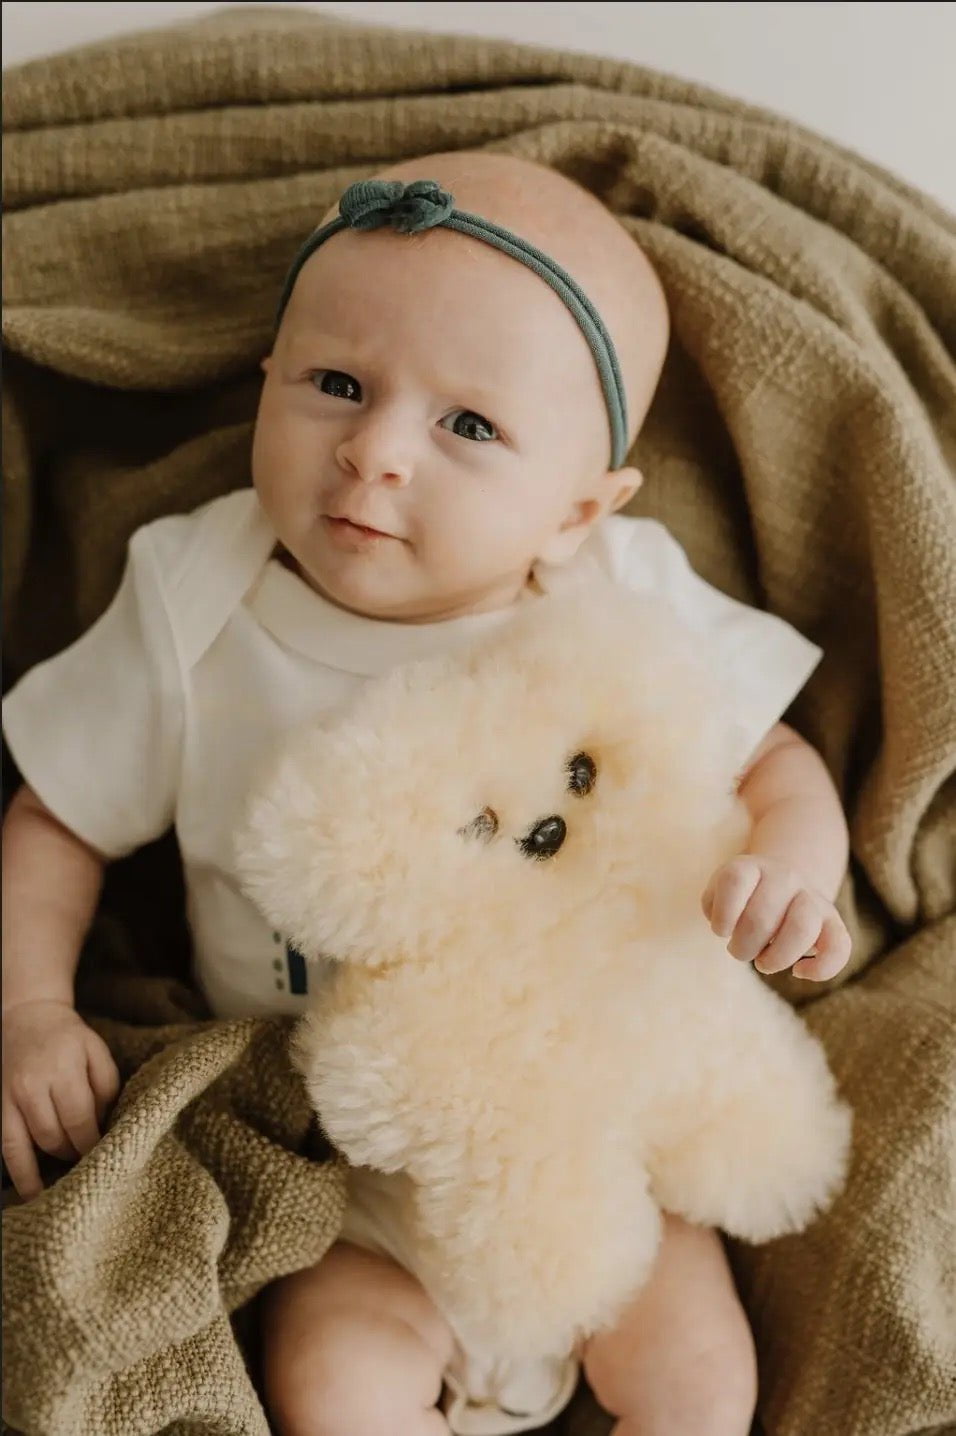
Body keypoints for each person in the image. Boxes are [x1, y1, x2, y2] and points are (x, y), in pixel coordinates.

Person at [1, 150, 851, 1436]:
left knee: (699, 1382)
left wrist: (788, 867)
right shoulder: (196, 598)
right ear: (266, 381)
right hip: (352, 1163)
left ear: (575, 510)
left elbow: (774, 761)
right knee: (332, 1382)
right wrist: (27, 1006)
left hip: (590, 1126)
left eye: (468, 426)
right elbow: (56, 815)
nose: (376, 451)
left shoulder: (616, 595)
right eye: (335, 384)